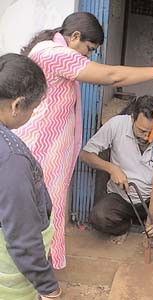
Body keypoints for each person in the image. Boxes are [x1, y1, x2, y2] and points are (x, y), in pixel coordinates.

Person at [14, 12, 153, 269]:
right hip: (40, 147)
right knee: (38, 211)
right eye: (88, 49)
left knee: (45, 210)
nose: (87, 57)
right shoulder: (54, 53)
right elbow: (112, 76)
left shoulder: (54, 50)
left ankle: (39, 269)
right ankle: (32, 272)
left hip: (50, 152)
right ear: (74, 37)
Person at [79, 95, 153, 241]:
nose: (146, 137)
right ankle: (124, 227)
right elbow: (85, 154)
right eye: (141, 131)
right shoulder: (117, 124)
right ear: (132, 118)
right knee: (99, 216)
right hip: (121, 198)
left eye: (151, 132)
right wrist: (112, 168)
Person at [0, 54, 61, 299]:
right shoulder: (11, 158)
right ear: (17, 105)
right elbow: (22, 236)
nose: (33, 114)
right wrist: (48, 288)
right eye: (34, 108)